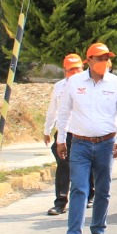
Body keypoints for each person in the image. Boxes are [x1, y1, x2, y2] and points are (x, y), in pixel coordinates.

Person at [55, 42, 117, 234]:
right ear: (88, 60)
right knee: (79, 188)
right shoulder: (75, 82)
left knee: (103, 189)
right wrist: (61, 139)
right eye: (100, 58)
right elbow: (64, 112)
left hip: (106, 144)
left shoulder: (116, 84)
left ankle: (98, 230)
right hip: (79, 143)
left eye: (107, 58)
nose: (104, 62)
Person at [43, 52, 84, 216]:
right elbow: (53, 110)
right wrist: (47, 130)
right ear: (64, 70)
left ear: (83, 68)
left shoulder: (89, 85)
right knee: (63, 165)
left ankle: (89, 193)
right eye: (70, 69)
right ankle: (61, 202)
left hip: (83, 133)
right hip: (64, 133)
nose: (74, 72)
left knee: (84, 167)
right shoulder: (59, 86)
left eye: (77, 69)